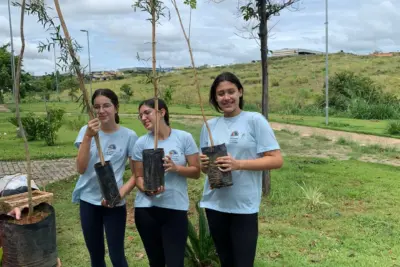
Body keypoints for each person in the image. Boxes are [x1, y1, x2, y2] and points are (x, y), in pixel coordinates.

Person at [199, 72, 284, 267]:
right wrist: (204, 165)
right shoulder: (209, 126)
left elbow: (276, 160)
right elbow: (205, 169)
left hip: (243, 205)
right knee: (226, 261)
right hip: (215, 204)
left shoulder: (255, 120)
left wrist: (238, 164)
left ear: (240, 92)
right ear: (215, 98)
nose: (226, 97)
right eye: (220, 93)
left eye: (231, 91)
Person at [73, 88, 138, 267]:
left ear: (116, 107)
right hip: (88, 201)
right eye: (97, 107)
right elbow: (80, 168)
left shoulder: (129, 135)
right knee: (96, 255)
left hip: (113, 202)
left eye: (106, 106)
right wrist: (88, 136)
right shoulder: (85, 131)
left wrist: (121, 193)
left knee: (117, 256)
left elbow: (136, 174)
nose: (101, 111)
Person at [131, 98, 200, 267]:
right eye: (140, 115)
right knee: (156, 262)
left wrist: (177, 168)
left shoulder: (184, 138)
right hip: (146, 210)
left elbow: (196, 171)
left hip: (175, 210)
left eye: (147, 112)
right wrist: (147, 189)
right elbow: (137, 176)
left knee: (176, 262)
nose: (143, 118)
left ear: (162, 112)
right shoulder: (141, 143)